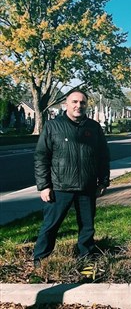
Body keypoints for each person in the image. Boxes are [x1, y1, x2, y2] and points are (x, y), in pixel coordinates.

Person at [33, 90, 110, 265]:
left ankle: (87, 261)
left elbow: (103, 156)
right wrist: (44, 186)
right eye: (74, 102)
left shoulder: (94, 127)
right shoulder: (53, 126)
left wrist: (103, 181)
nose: (78, 106)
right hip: (59, 187)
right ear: (66, 104)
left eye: (82, 103)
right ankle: (40, 262)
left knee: (87, 228)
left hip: (87, 187)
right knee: (50, 226)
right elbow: (41, 157)